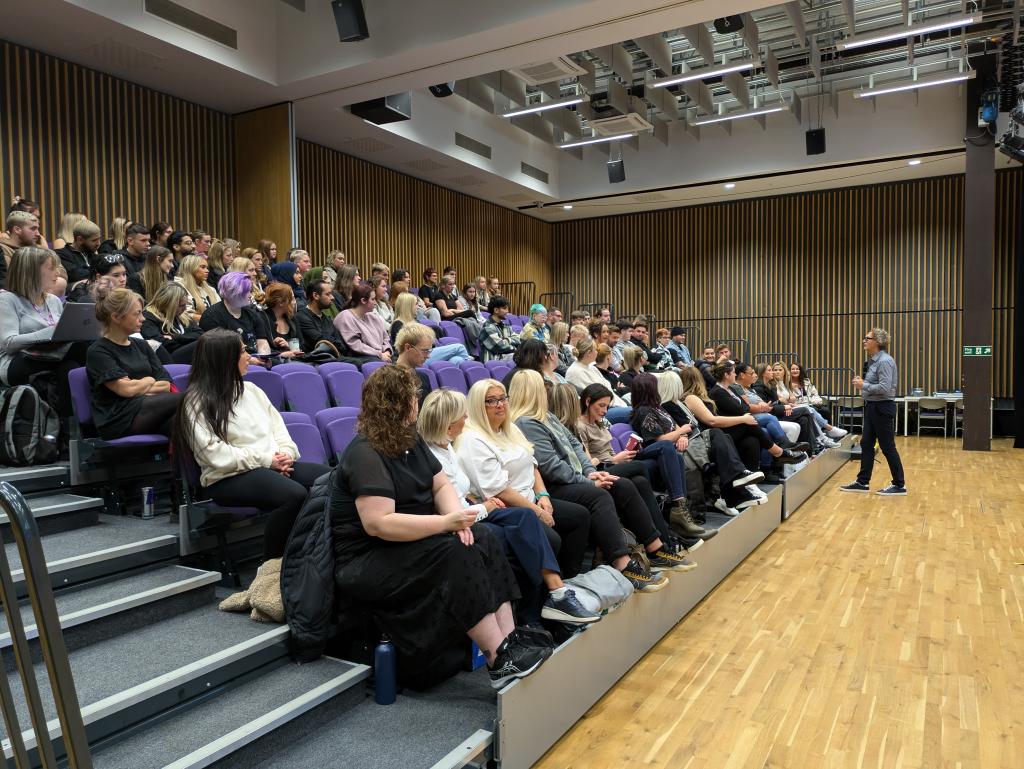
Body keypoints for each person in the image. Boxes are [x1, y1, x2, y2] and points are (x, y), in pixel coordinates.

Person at [331, 365, 550, 689]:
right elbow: (379, 524)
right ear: (399, 403)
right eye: (413, 397)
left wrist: (457, 519)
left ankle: (511, 640)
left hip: (406, 541)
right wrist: (445, 523)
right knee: (455, 554)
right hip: (368, 557)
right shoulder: (365, 453)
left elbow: (440, 485)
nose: (417, 402)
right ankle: (497, 658)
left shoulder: (410, 438)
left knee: (483, 538)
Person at [419, 389, 600, 626]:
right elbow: (455, 510)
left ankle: (556, 595)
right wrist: (486, 507)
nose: (466, 419)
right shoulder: (440, 454)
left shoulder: (448, 445)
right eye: (462, 416)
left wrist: (536, 497)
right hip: (463, 521)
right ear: (449, 423)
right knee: (525, 538)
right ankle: (543, 608)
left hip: (476, 509)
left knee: (528, 521)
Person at [175, 329, 331, 562]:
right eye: (242, 352)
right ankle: (273, 568)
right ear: (224, 359)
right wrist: (268, 460)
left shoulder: (253, 391)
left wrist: (285, 455)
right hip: (228, 477)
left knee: (334, 479)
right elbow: (215, 455)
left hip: (272, 465)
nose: (248, 356)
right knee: (293, 495)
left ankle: (315, 554)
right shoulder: (196, 401)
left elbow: (280, 432)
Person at [509, 370, 673, 591]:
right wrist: (588, 481)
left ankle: (655, 548)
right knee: (600, 494)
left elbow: (576, 446)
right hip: (554, 485)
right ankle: (623, 563)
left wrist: (590, 472)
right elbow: (550, 466)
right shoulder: (526, 422)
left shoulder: (547, 417)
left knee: (622, 483)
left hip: (574, 477)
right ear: (533, 390)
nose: (547, 388)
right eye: (542, 385)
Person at [457, 378, 590, 580]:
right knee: (553, 539)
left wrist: (543, 495)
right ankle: (551, 592)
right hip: (509, 508)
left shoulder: (509, 428)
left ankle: (570, 580)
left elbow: (532, 463)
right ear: (477, 405)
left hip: (532, 498)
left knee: (580, 517)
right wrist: (537, 511)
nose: (500, 404)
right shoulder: (472, 440)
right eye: (491, 401)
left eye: (502, 398)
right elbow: (499, 490)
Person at [0, 247, 90, 418]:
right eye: (51, 268)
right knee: (81, 349)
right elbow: (9, 343)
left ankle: (69, 429)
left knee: (70, 369)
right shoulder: (7, 300)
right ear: (32, 272)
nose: (58, 273)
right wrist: (49, 333)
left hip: (55, 355)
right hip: (16, 362)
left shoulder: (53, 300)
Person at [86, 288, 183, 439]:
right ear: (116, 317)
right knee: (190, 399)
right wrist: (150, 379)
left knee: (181, 424)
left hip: (150, 409)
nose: (143, 318)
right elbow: (126, 390)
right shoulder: (98, 351)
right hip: (118, 417)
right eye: (137, 313)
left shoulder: (141, 345)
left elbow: (165, 384)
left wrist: (139, 385)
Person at [708, 362, 807, 473]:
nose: (735, 375)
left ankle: (765, 469)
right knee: (758, 424)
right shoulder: (718, 392)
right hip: (730, 426)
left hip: (743, 423)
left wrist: (748, 409)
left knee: (763, 433)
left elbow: (744, 407)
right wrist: (752, 409)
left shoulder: (731, 389)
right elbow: (742, 409)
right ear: (726, 375)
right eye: (733, 373)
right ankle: (780, 452)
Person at [841, 328, 906, 495]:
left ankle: (899, 485)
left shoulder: (884, 361)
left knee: (887, 447)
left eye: (867, 338)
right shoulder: (873, 360)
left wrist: (864, 385)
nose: (864, 340)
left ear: (877, 342)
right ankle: (863, 482)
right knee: (866, 444)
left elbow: (885, 388)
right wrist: (863, 383)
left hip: (882, 407)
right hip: (873, 407)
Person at [199, 271, 274, 364]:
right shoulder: (212, 317)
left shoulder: (251, 313)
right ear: (235, 293)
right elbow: (220, 352)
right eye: (247, 292)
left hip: (254, 360)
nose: (251, 295)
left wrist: (264, 357)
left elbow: (262, 341)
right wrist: (251, 361)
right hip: (228, 365)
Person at [565, 338, 631, 423]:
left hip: (614, 403)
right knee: (635, 412)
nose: (597, 352)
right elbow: (598, 398)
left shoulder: (591, 367)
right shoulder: (576, 372)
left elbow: (607, 389)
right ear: (589, 353)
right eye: (595, 350)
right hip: (601, 411)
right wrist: (622, 406)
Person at [141, 282, 202, 364]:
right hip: (169, 359)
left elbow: (200, 334)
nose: (184, 309)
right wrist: (188, 340)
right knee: (201, 345)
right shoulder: (148, 318)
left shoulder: (182, 316)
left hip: (187, 354)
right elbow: (161, 344)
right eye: (181, 306)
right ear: (168, 304)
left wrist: (175, 337)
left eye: (185, 305)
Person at [392, 301, 469, 364]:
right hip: (415, 356)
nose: (418, 307)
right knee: (460, 348)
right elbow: (401, 348)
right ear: (408, 306)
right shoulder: (398, 324)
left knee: (457, 360)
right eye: (416, 304)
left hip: (424, 352)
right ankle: (468, 359)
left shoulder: (415, 322)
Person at [334, 283, 393, 363]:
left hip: (381, 355)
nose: (375, 303)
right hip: (364, 358)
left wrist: (387, 351)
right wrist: (379, 354)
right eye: (373, 299)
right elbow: (356, 345)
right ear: (363, 301)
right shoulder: (345, 317)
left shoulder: (373, 317)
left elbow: (385, 338)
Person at [294, 279, 347, 355]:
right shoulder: (301, 317)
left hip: (334, 357)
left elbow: (341, 344)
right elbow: (320, 341)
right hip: (316, 360)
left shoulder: (327, 319)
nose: (332, 297)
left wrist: (334, 342)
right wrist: (334, 342)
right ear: (316, 295)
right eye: (328, 294)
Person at [262, 283, 305, 360]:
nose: (294, 302)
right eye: (292, 299)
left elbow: (302, 346)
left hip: (295, 361)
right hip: (274, 364)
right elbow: (261, 349)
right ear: (281, 303)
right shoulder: (262, 319)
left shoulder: (292, 319)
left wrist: (289, 346)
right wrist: (280, 354)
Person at [174, 254, 220, 322]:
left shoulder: (211, 289)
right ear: (191, 268)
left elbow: (220, 309)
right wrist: (211, 320)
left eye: (207, 268)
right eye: (203, 267)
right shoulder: (178, 288)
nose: (207, 271)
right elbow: (184, 315)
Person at [56, 218, 101, 285]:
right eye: (94, 240)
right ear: (79, 239)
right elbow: (77, 275)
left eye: (99, 239)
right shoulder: (61, 254)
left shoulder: (92, 254)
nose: (98, 243)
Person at [0, 211, 41, 285]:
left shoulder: (40, 249)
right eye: (33, 229)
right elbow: (12, 278)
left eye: (38, 229)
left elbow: (61, 273)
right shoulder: (3, 249)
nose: (38, 234)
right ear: (17, 230)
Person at [480, 296, 520, 362]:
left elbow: (518, 339)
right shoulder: (487, 328)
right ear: (496, 310)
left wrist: (507, 340)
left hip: (508, 356)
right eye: (504, 308)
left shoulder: (505, 325)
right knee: (520, 356)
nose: (507, 311)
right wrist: (515, 347)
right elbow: (500, 346)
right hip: (495, 361)